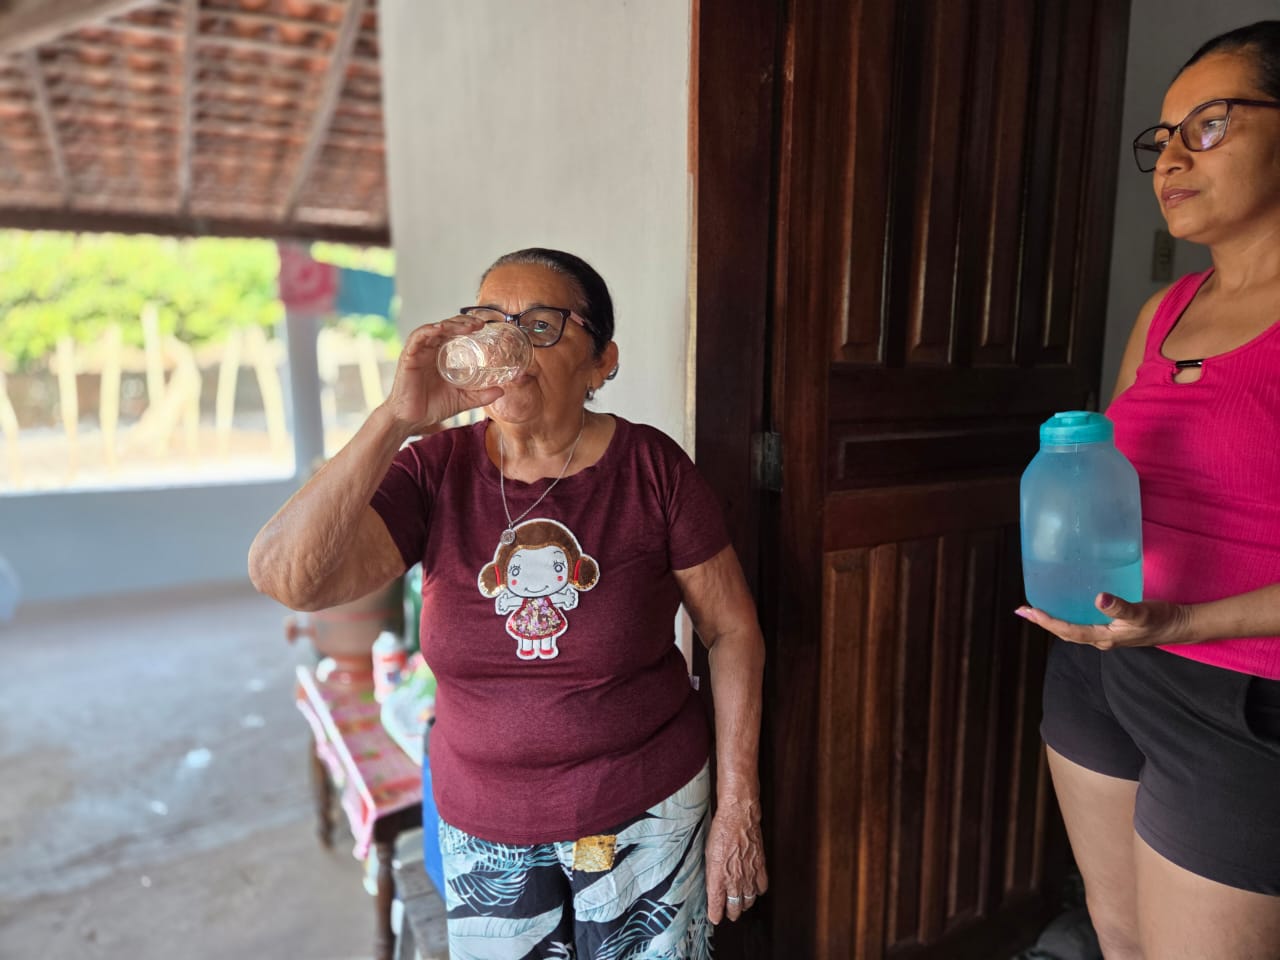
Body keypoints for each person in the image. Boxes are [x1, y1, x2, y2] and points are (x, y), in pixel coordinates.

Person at [249, 247, 767, 957]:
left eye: (541, 325)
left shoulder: (652, 468)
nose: (510, 342)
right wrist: (396, 418)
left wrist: (739, 807)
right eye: (488, 320)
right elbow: (288, 576)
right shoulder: (434, 471)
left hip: (647, 816)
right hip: (482, 831)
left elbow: (732, 630)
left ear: (601, 362)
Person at [1015, 21, 1280, 960]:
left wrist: (1184, 625)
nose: (1169, 157)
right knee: (1120, 940)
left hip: (1239, 694)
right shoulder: (1163, 310)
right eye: (1160, 138)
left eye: (1206, 125)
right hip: (1102, 665)